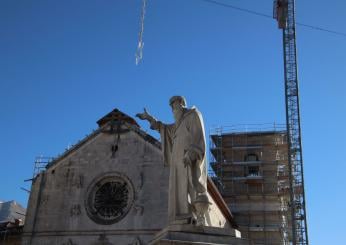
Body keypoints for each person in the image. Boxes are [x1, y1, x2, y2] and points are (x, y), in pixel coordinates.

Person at [136, 96, 208, 225]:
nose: (172, 109)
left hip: (188, 159)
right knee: (178, 188)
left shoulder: (193, 115)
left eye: (173, 105)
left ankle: (195, 215)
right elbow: (163, 128)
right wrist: (149, 118)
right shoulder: (177, 125)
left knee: (190, 185)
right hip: (177, 162)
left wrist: (192, 153)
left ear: (181, 103)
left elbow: (198, 135)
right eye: (171, 107)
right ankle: (180, 215)